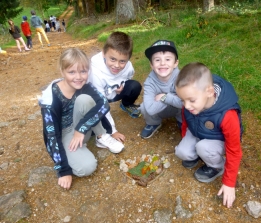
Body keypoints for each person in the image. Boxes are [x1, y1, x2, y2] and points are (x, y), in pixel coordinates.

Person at [39, 48, 124, 190]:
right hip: (65, 134)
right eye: (71, 72)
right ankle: (76, 152)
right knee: (87, 167)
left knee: (85, 100)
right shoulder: (51, 98)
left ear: (88, 71)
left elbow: (103, 104)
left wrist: (81, 129)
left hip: (82, 127)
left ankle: (101, 136)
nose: (78, 77)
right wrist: (63, 170)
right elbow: (51, 135)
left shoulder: (86, 86)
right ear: (62, 71)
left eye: (83, 71)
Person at [175, 62, 243, 208]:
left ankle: (217, 166)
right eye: (182, 100)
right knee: (182, 151)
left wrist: (229, 183)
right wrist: (185, 141)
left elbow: (234, 151)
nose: (186, 106)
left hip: (218, 140)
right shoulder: (191, 102)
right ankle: (199, 154)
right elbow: (186, 123)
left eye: (191, 100)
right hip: (198, 131)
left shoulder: (227, 115)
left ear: (209, 92)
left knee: (203, 147)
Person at [89, 31, 142, 144]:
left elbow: (128, 77)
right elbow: (101, 103)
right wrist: (112, 130)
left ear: (128, 59)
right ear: (104, 53)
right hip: (98, 97)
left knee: (135, 85)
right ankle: (101, 128)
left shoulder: (129, 67)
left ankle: (126, 104)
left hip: (115, 92)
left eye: (122, 61)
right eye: (112, 59)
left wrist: (122, 84)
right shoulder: (95, 73)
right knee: (97, 107)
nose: (117, 65)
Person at [140, 40, 182, 139]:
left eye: (168, 59)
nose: (162, 63)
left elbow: (185, 103)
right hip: (160, 111)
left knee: (189, 104)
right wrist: (174, 97)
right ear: (151, 65)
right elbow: (150, 108)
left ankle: (182, 120)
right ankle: (153, 123)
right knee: (144, 107)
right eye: (157, 60)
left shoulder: (182, 77)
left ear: (175, 63)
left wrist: (164, 97)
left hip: (179, 110)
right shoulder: (149, 82)